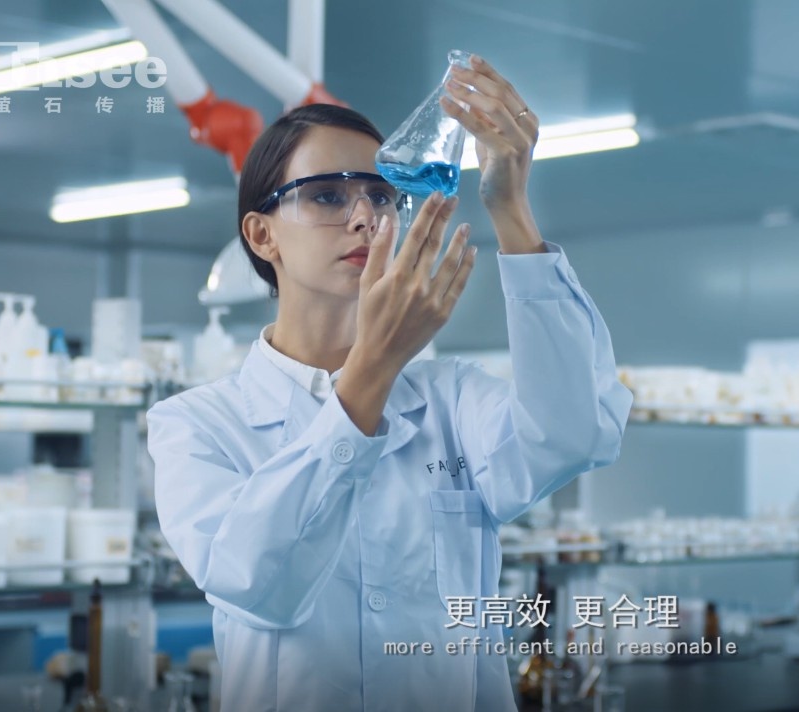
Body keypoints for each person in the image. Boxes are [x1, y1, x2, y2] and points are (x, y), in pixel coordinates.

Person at [146, 54, 632, 712]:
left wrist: (511, 211)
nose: (365, 219)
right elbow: (259, 585)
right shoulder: (197, 425)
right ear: (262, 236)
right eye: (327, 195)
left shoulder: (449, 400)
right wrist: (372, 369)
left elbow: (576, 435)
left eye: (381, 195)